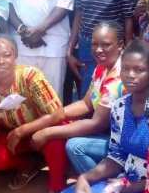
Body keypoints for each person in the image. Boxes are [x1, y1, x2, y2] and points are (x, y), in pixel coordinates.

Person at [57, 39, 149, 193]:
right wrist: (85, 177)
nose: (130, 75)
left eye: (139, 69)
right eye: (125, 69)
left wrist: (131, 187)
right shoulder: (120, 106)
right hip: (123, 181)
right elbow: (116, 156)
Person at [0, 34, 67, 193]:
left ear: (15, 56)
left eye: (6, 55)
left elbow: (58, 113)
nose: (1, 61)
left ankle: (56, 189)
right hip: (12, 137)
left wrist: (22, 130)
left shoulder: (30, 76)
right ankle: (29, 164)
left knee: (55, 137)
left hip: (40, 130)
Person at [31, 22, 126, 174]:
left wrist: (47, 132)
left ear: (120, 45)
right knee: (61, 123)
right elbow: (86, 103)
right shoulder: (103, 66)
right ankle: (62, 183)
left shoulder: (118, 77)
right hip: (108, 134)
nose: (98, 50)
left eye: (106, 45)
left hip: (122, 143)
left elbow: (97, 124)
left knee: (75, 146)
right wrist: (53, 117)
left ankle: (101, 187)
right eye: (94, 44)